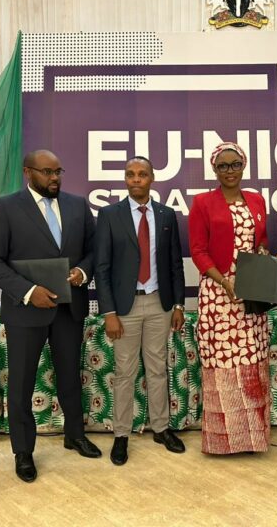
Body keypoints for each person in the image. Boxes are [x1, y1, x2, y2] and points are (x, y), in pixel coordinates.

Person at [0, 149, 101, 482]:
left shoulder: (78, 205)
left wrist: (82, 271)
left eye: (58, 172)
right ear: (27, 172)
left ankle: (74, 435)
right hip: (25, 312)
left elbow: (94, 251)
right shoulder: (5, 208)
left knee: (69, 376)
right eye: (47, 172)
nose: (54, 178)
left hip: (69, 308)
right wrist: (29, 291)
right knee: (20, 384)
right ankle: (23, 452)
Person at [94, 156, 186, 465]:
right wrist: (109, 312)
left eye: (142, 174)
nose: (136, 179)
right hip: (125, 307)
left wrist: (177, 305)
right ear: (125, 179)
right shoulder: (109, 215)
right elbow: (102, 267)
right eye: (131, 174)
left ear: (152, 178)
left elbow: (174, 263)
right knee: (125, 372)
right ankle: (122, 434)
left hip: (159, 303)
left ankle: (161, 428)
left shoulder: (166, 215)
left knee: (158, 368)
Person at [188, 142, 271, 454]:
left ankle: (253, 439)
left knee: (251, 363)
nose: (230, 171)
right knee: (224, 368)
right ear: (214, 169)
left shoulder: (257, 200)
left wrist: (266, 260)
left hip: (251, 295)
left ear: (244, 165)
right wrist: (225, 281)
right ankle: (224, 442)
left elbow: (261, 241)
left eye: (235, 164)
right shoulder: (202, 203)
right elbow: (198, 250)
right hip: (219, 295)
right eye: (223, 166)